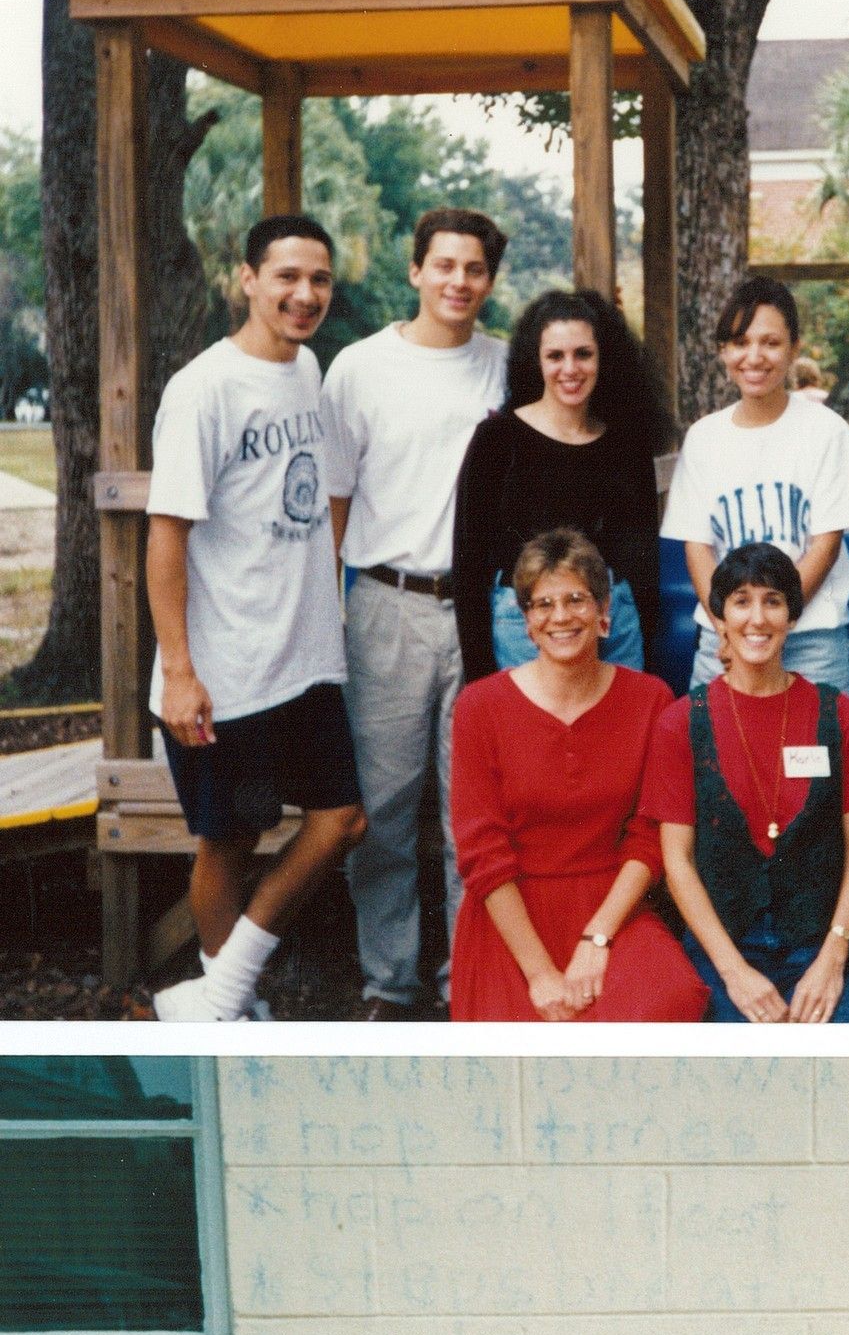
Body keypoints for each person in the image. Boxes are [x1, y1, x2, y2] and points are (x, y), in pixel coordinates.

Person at [147, 216, 365, 1021]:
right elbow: (166, 535)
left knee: (341, 819)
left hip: (304, 656)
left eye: (318, 280)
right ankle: (227, 1009)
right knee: (230, 841)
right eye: (286, 278)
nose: (304, 295)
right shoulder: (205, 388)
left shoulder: (309, 368)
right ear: (247, 279)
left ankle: (217, 995)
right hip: (225, 665)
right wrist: (179, 672)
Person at [322, 206, 509, 1020]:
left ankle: (468, 983)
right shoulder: (360, 369)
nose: (458, 282)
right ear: (415, 271)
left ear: (490, 280)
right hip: (385, 603)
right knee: (387, 811)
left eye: (473, 269)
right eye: (444, 265)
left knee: (472, 811)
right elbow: (332, 502)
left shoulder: (510, 367)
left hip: (480, 609)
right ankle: (388, 983)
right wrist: (325, 615)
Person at [447, 530, 708, 1022]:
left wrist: (599, 936)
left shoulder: (651, 700)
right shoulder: (479, 707)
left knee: (669, 1000)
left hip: (614, 905)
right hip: (512, 914)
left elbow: (650, 834)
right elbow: (481, 852)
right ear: (525, 621)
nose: (561, 616)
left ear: (604, 611)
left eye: (576, 599)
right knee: (524, 1038)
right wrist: (541, 974)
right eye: (543, 604)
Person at [643, 541, 849, 1023]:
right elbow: (677, 858)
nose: (757, 619)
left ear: (792, 617)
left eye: (773, 601)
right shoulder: (680, 723)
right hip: (725, 947)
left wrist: (832, 959)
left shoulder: (840, 715)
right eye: (741, 601)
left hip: (819, 944)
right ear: (719, 617)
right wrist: (734, 973)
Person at [661, 274, 849, 692]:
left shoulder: (826, 431)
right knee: (715, 755)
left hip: (810, 639)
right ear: (723, 350)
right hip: (723, 639)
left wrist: (773, 621)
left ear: (794, 348)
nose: (754, 357)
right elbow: (697, 546)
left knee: (814, 757)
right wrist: (728, 626)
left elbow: (825, 544)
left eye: (770, 343)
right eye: (740, 342)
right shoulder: (704, 437)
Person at [452, 288, 672, 686]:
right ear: (535, 361)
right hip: (523, 630)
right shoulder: (497, 439)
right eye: (555, 356)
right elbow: (469, 569)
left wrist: (650, 662)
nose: (570, 368)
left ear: (604, 358)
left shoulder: (626, 443)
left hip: (615, 627)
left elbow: (644, 566)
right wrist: (480, 678)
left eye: (583, 354)